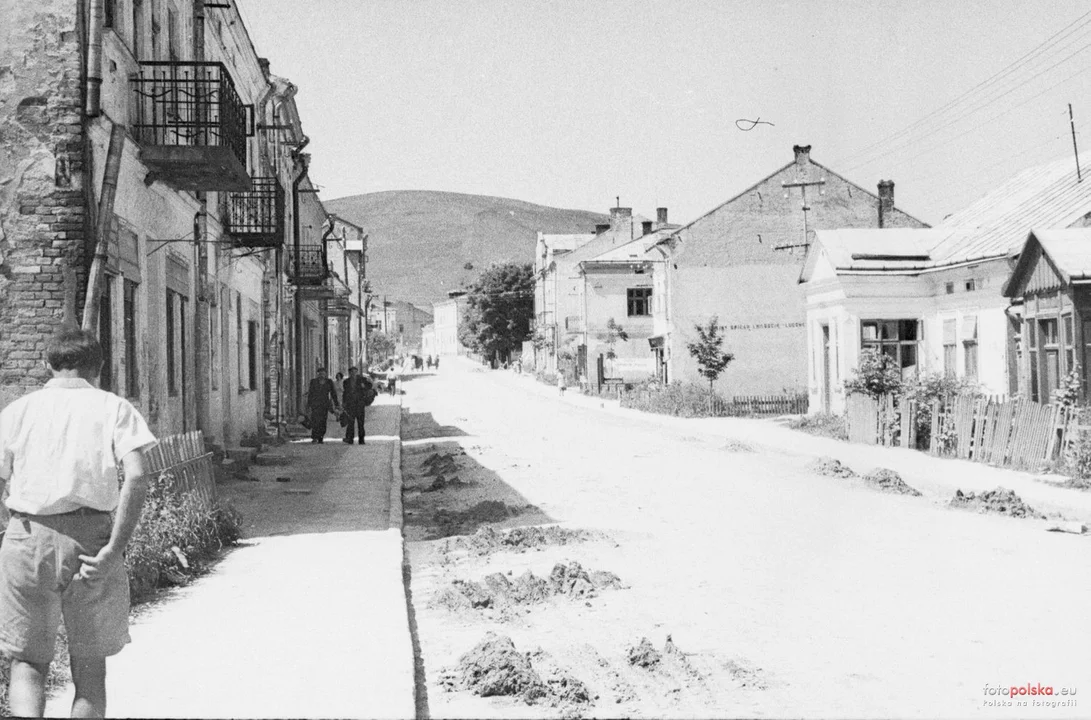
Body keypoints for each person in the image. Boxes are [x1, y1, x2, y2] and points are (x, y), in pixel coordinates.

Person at [0, 326, 157, 718]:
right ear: (99, 368)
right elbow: (137, 474)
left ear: (47, 365)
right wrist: (113, 550)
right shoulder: (114, 407)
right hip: (90, 543)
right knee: (88, 670)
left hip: (26, 536)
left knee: (28, 663)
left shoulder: (17, 410)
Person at [305, 367, 338, 443]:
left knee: (323, 421)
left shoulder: (329, 382)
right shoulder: (313, 382)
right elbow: (310, 393)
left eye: (323, 374)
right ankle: (314, 437)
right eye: (320, 374)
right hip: (315, 404)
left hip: (324, 404)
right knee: (315, 420)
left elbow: (333, 393)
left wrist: (336, 404)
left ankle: (321, 437)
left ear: (325, 374)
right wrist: (308, 405)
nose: (321, 375)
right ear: (318, 374)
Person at [341, 367, 370, 445]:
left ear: (357, 372)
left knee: (361, 423)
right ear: (349, 373)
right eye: (352, 372)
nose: (354, 373)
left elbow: (369, 386)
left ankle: (361, 439)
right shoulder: (346, 382)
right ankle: (350, 439)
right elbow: (345, 393)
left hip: (360, 404)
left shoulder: (362, 379)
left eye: (355, 372)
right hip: (350, 405)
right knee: (350, 423)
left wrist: (364, 386)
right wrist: (344, 403)